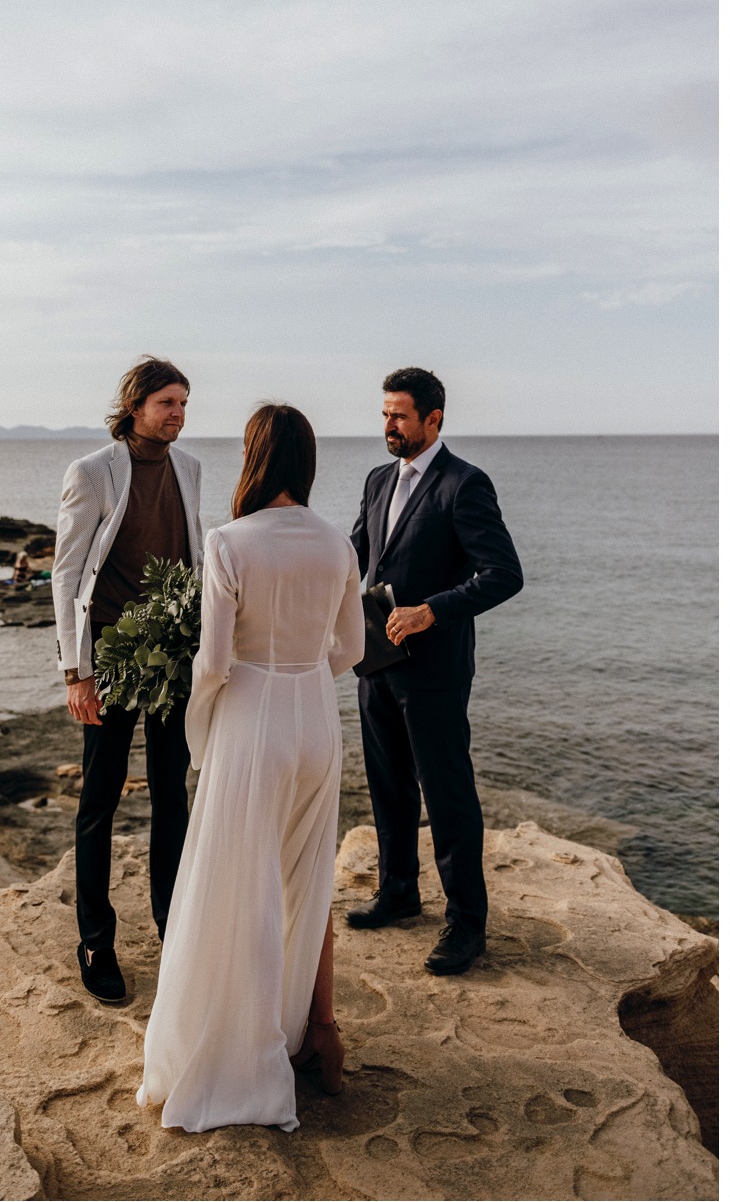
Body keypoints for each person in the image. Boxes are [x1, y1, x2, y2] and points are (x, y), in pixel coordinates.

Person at [137, 403, 364, 1130]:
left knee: (239, 887)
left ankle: (238, 1056)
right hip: (317, 722)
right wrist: (305, 673)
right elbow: (351, 650)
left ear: (254, 457)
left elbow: (211, 661)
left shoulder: (230, 542)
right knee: (305, 880)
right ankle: (296, 1032)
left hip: (253, 717)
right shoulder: (337, 544)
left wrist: (206, 728)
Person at [347, 367, 523, 977]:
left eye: (399, 415)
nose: (388, 426)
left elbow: (503, 573)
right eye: (385, 414)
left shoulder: (464, 484)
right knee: (388, 785)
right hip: (375, 662)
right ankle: (398, 892)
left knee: (447, 796)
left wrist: (432, 612)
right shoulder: (376, 480)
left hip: (435, 671)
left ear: (434, 420)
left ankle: (466, 924)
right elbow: (356, 557)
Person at [52, 355, 203, 1005]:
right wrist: (75, 672)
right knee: (100, 802)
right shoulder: (92, 472)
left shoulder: (190, 468)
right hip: (111, 656)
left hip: (174, 656)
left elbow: (198, 558)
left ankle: (175, 931)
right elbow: (66, 574)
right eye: (168, 401)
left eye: (184, 403)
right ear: (136, 404)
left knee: (174, 797)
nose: (178, 413)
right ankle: (95, 940)